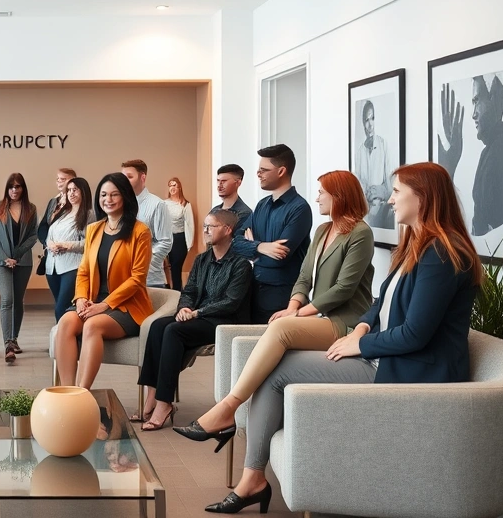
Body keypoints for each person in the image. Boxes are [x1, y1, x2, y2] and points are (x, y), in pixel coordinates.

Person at [189, 162, 483, 514]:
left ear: (423, 198)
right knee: (275, 368)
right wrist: (362, 327)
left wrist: (359, 344)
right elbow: (380, 303)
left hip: (407, 369)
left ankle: (233, 425)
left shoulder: (442, 254)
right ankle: (253, 477)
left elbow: (415, 334)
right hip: (384, 354)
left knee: (278, 368)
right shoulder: (416, 246)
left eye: (397, 192)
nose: (390, 201)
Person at [185, 170, 375, 439]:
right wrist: (293, 305)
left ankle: (229, 406)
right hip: (318, 317)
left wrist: (299, 313)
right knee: (279, 331)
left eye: (322, 192)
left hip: (345, 322)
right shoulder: (322, 230)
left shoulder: (360, 233)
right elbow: (305, 275)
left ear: (340, 196)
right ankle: (242, 439)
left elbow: (343, 289)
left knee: (282, 329)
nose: (317, 197)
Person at [136, 210, 252, 430]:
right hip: (196, 316)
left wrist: (197, 313)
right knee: (158, 326)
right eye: (205, 226)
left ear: (227, 230)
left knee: (173, 331)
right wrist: (185, 307)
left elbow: (231, 302)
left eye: (211, 226)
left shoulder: (240, 265)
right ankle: (152, 393)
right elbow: (188, 290)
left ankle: (164, 403)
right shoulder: (202, 260)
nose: (206, 231)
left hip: (223, 322)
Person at [53, 173, 153, 389]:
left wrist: (104, 305)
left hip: (127, 307)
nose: (108, 199)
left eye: (114, 194)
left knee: (92, 325)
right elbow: (84, 270)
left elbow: (137, 279)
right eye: (104, 194)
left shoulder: (140, 231)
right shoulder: (94, 229)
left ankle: (81, 393)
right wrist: (80, 298)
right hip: (93, 300)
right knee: (66, 322)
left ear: (125, 197)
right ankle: (67, 392)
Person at [231, 145, 313, 324]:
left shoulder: (299, 208)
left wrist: (252, 251)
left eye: (264, 170)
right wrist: (261, 247)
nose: (258, 174)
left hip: (282, 296)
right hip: (253, 290)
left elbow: (279, 257)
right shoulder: (262, 205)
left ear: (281, 171)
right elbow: (235, 243)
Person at [439, 74, 503, 236]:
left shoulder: (499, 151)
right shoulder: (491, 150)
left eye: (477, 101)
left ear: (494, 98)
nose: (473, 114)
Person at [0, 173, 38, 363]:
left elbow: (33, 235)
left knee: (18, 300)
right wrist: (5, 258)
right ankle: (8, 343)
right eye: (11, 187)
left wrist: (16, 256)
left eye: (18, 187)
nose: (14, 190)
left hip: (22, 261)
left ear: (23, 188)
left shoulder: (30, 209)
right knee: (7, 299)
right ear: (7, 189)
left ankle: (14, 338)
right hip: (1, 262)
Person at [44, 177, 95, 323]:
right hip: (52, 267)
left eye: (75, 190)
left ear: (83, 192)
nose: (71, 194)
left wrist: (67, 245)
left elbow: (91, 242)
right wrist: (51, 243)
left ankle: (63, 341)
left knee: (62, 307)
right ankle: (63, 339)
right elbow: (49, 234)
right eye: (69, 190)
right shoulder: (63, 212)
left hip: (73, 266)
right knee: (61, 306)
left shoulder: (88, 214)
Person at [120, 159, 173, 288]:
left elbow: (165, 242)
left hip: (149, 278)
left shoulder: (157, 204)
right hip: (121, 277)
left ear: (142, 177)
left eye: (130, 177)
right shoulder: (119, 204)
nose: (124, 182)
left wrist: (142, 261)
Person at [353, 100, 396, 229]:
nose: (370, 124)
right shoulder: (360, 151)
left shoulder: (384, 145)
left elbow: (391, 187)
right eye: (366, 120)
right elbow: (358, 185)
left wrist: (381, 191)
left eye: (373, 118)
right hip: (364, 214)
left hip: (382, 212)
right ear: (363, 124)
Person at [36, 168, 77, 274]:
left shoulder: (76, 202)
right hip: (51, 252)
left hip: (70, 255)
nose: (59, 182)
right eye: (58, 179)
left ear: (73, 181)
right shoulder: (54, 201)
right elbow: (44, 225)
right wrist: (47, 242)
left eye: (63, 179)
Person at [162, 177, 195, 291]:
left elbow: (190, 224)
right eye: (170, 185)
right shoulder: (163, 204)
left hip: (179, 239)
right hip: (166, 238)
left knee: (176, 267)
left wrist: (189, 244)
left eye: (175, 185)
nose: (172, 188)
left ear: (179, 187)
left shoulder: (185, 204)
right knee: (164, 266)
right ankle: (166, 290)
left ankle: (178, 292)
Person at [210, 164, 252, 235]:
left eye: (224, 181)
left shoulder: (244, 213)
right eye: (218, 180)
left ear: (238, 182)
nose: (219, 185)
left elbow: (238, 241)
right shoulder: (214, 211)